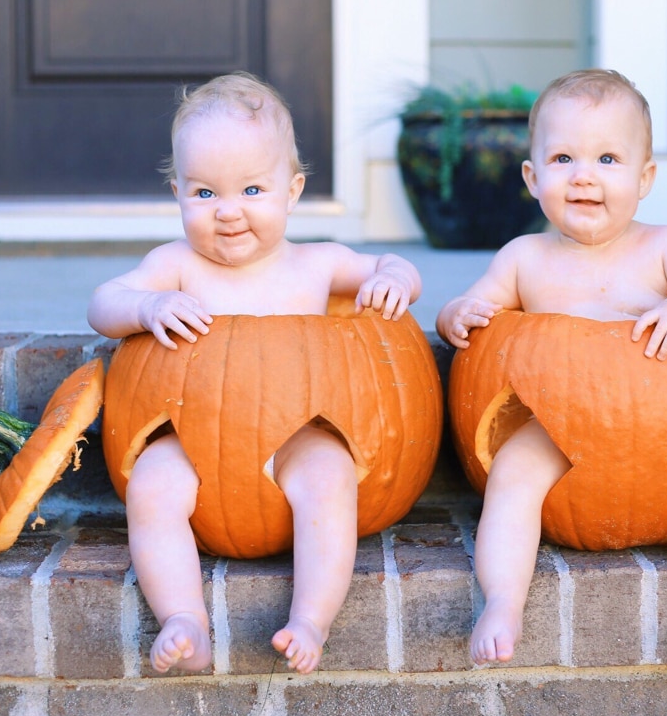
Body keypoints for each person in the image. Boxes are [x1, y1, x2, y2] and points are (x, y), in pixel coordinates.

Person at [436, 69, 667, 677]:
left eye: (607, 158)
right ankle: (502, 603)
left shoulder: (665, 247)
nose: (584, 175)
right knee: (513, 470)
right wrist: (455, 313)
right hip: (561, 433)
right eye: (563, 157)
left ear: (644, 178)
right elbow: (472, 307)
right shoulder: (524, 258)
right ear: (533, 176)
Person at [88, 72, 421, 675]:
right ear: (178, 194)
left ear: (291, 191)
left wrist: (393, 279)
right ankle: (183, 616)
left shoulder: (318, 264)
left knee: (330, 473)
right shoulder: (177, 265)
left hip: (294, 444)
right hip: (197, 446)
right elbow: (102, 302)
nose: (229, 212)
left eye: (251, 189)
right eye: (206, 194)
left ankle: (312, 617)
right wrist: (147, 306)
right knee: (151, 486)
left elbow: (395, 263)